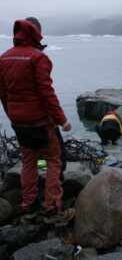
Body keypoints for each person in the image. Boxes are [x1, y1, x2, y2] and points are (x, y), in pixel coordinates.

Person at [0, 17, 75, 224]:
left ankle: (29, 207)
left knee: (28, 162)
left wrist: (12, 114)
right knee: (53, 160)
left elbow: (3, 93)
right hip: (40, 122)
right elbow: (46, 93)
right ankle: (52, 210)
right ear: (36, 33)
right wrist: (62, 120)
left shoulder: (3, 58)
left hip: (18, 121)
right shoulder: (38, 57)